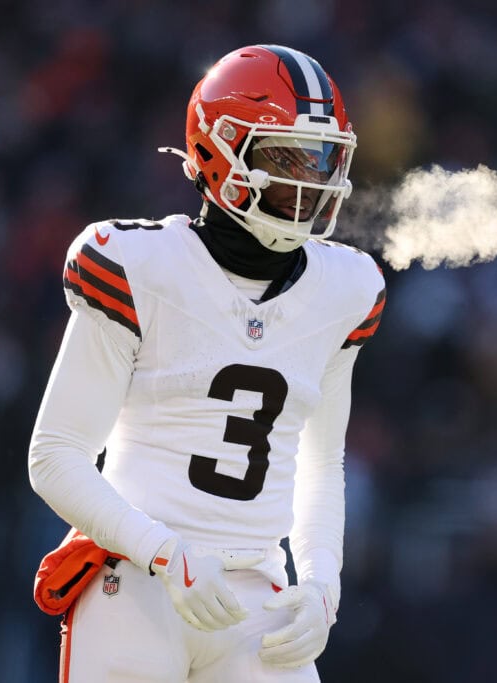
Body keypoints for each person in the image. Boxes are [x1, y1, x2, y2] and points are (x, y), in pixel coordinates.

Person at [27, 44, 385, 682]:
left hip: (257, 591)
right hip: (133, 578)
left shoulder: (347, 287)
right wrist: (166, 553)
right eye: (286, 156)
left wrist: (323, 585)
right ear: (220, 154)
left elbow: (320, 464)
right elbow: (54, 456)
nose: (311, 178)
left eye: (323, 156)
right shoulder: (139, 264)